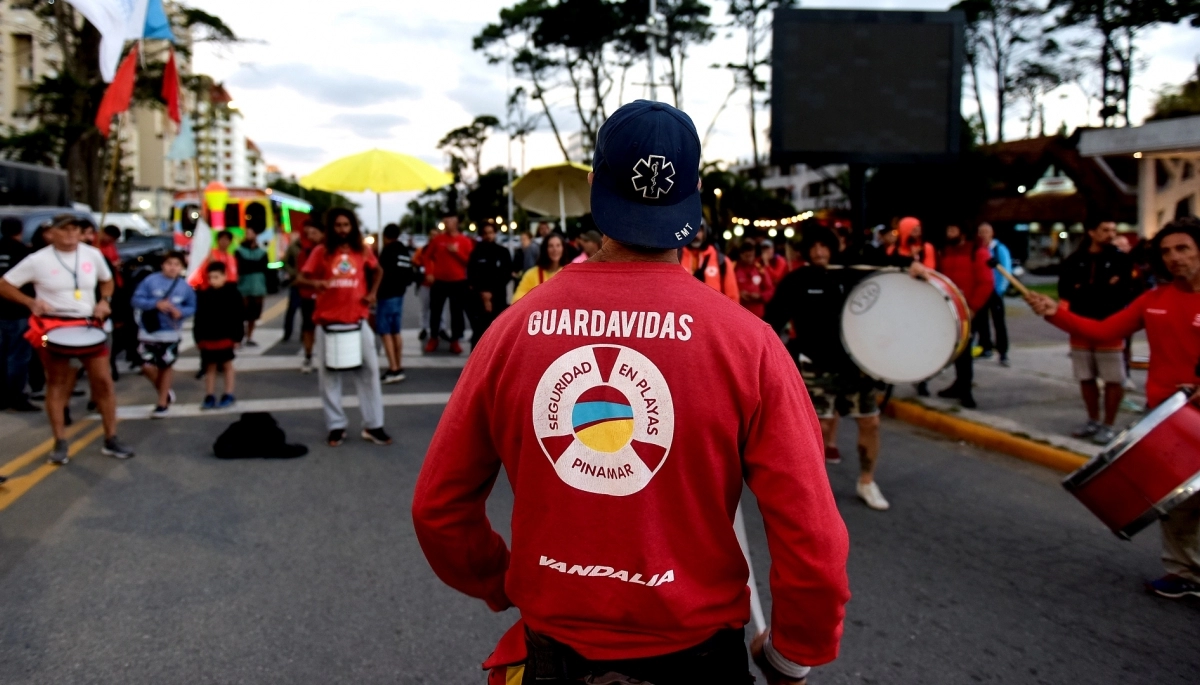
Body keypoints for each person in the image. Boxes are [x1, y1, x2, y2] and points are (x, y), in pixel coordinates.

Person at [412, 99, 849, 685]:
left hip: (553, 657)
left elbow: (437, 509)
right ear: (693, 189)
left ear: (595, 185)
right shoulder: (749, 344)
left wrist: (505, 581)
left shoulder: (512, 332)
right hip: (700, 661)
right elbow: (814, 540)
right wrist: (793, 653)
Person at [1026, 218, 1200, 599]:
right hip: (1167, 418)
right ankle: (1183, 572)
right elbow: (1104, 331)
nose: (1174, 258)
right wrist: (1054, 312)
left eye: (1183, 248)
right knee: (1173, 502)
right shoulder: (1154, 300)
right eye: (1167, 251)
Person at [766, 225, 891, 511]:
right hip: (815, 367)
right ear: (806, 250)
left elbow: (889, 275)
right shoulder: (796, 281)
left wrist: (914, 268)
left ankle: (867, 481)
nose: (820, 252)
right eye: (814, 247)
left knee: (870, 422)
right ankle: (813, 490)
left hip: (856, 367)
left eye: (825, 246)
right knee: (816, 429)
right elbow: (771, 323)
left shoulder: (851, 275)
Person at [0, 214, 134, 463]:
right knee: (58, 384)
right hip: (52, 329)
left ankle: (111, 438)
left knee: (103, 382)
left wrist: (105, 301)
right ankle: (60, 442)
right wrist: (30, 302)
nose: (71, 234)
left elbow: (107, 280)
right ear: (50, 234)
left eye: (75, 229)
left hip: (89, 326)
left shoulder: (92, 254)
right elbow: (4, 285)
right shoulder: (37, 260)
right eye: (65, 230)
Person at [298, 208, 392, 447]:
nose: (342, 230)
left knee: (369, 373)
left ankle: (374, 425)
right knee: (329, 378)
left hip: (358, 322)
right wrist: (316, 283)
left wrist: (372, 294)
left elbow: (378, 270)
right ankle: (336, 426)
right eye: (338, 225)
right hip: (329, 324)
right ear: (332, 228)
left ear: (353, 227)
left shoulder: (362, 250)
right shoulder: (321, 252)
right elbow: (301, 278)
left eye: (346, 225)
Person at [1057, 220, 1137, 445]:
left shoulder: (1121, 260)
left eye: (1113, 230)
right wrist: (1102, 287)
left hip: (1110, 325)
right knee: (1086, 376)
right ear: (1091, 232)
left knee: (1113, 378)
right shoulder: (1075, 260)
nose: (1111, 234)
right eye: (1105, 230)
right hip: (1079, 325)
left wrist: (1085, 289)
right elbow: (1065, 290)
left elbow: (1123, 292)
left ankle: (1109, 424)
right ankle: (1092, 419)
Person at [935, 223, 995, 409]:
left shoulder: (978, 252)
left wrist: (973, 307)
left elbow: (986, 282)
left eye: (953, 229)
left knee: (965, 349)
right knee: (957, 350)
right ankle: (960, 384)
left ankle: (965, 389)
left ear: (963, 231)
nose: (949, 233)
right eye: (948, 229)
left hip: (969, 309)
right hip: (951, 307)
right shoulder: (946, 251)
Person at [130, 251, 195, 418]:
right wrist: (155, 304)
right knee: (146, 366)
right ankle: (164, 390)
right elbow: (136, 300)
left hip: (171, 333)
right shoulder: (150, 281)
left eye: (177, 265)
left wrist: (180, 312)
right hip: (149, 331)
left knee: (166, 366)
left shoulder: (185, 287)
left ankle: (162, 402)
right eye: (169, 264)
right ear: (162, 265)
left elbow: (192, 307)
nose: (173, 268)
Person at [194, 262, 243, 409]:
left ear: (224, 277)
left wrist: (237, 337)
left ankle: (229, 393)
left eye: (216, 277)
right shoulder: (204, 294)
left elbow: (238, 317)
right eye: (210, 278)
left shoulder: (233, 293)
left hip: (226, 336)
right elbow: (199, 318)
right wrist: (198, 337)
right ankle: (209, 395)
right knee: (210, 367)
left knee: (227, 365)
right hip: (208, 336)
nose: (213, 281)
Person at [423, 213, 474, 355]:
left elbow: (470, 262)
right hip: (439, 281)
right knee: (435, 311)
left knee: (456, 312)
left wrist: (456, 253)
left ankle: (455, 340)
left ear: (456, 223)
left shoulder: (464, 241)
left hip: (458, 282)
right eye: (445, 221)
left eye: (450, 221)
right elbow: (427, 256)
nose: (447, 224)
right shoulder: (438, 239)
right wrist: (429, 273)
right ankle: (433, 337)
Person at [0, 217, 37, 412]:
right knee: (18, 357)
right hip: (18, 311)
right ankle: (16, 397)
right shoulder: (23, 252)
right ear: (20, 230)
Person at [285, 219, 325, 373]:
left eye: (314, 233)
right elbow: (299, 272)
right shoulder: (303, 251)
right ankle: (308, 355)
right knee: (308, 326)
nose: (311, 236)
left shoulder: (329, 251)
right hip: (308, 294)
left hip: (324, 296)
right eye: (309, 233)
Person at [377, 223, 415, 383]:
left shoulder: (387, 251)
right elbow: (410, 274)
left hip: (386, 295)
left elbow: (379, 272)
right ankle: (398, 365)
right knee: (395, 332)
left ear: (385, 236)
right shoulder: (404, 251)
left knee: (385, 333)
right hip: (399, 294)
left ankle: (393, 368)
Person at [467, 220, 514, 344]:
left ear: (495, 233)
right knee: (479, 335)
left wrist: (491, 293)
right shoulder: (476, 253)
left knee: (499, 335)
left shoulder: (503, 252)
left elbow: (507, 275)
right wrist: (483, 294)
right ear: (481, 235)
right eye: (485, 233)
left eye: (491, 232)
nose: (489, 236)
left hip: (499, 299)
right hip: (479, 301)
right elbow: (471, 276)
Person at [974, 222, 1012, 366]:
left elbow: (1006, 269)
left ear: (992, 233)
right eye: (981, 232)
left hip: (995, 291)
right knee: (981, 321)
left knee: (999, 323)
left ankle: (1003, 352)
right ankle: (986, 347)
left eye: (986, 232)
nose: (983, 235)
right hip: (981, 291)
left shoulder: (999, 249)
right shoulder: (977, 250)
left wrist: (1000, 289)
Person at [680, 224, 739, 299]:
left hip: (713, 309)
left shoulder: (721, 260)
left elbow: (732, 297)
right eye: (691, 231)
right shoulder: (677, 257)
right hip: (683, 309)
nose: (696, 235)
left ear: (706, 232)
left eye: (699, 230)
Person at [235, 226, 268, 347]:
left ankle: (250, 336)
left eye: (251, 233)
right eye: (247, 233)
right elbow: (242, 267)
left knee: (254, 314)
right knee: (241, 313)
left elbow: (264, 268)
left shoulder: (262, 252)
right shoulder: (239, 251)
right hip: (244, 286)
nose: (249, 235)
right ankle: (240, 336)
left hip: (258, 286)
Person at [512, 231, 566, 303]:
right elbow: (516, 301)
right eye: (551, 246)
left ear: (563, 248)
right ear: (545, 249)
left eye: (558, 245)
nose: (555, 249)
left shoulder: (569, 273)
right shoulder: (531, 274)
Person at [734, 241, 775, 318]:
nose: (749, 259)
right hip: (739, 312)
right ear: (741, 255)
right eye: (747, 256)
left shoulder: (760, 269)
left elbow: (770, 289)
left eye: (751, 256)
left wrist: (760, 296)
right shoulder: (733, 268)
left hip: (758, 314)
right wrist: (738, 294)